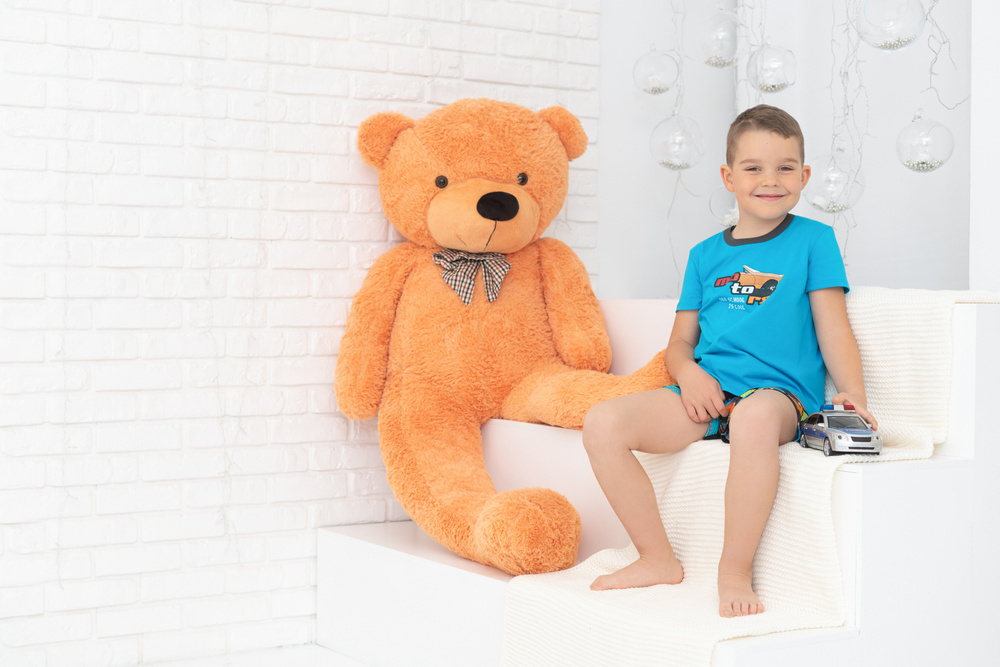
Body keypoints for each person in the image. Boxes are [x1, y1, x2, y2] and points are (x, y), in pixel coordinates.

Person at [582, 104, 877, 618]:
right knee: (602, 422)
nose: (771, 179)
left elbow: (833, 327)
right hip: (710, 395)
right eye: (753, 167)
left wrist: (854, 392)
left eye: (786, 167)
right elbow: (679, 344)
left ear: (805, 176)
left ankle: (734, 570)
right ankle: (655, 558)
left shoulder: (814, 241)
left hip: (779, 398)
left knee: (755, 416)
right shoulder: (704, 255)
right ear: (728, 177)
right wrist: (690, 375)